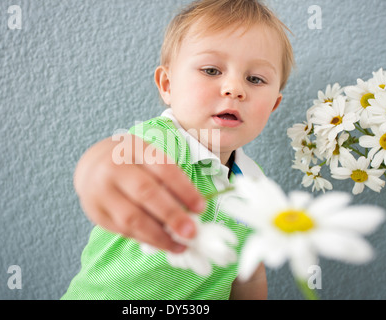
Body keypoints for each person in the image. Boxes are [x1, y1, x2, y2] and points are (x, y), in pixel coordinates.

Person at [62, 0, 294, 300]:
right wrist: (96, 170)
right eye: (211, 70)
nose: (235, 88)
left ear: (274, 104)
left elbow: (248, 274)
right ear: (167, 84)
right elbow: (116, 157)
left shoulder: (256, 184)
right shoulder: (164, 144)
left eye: (255, 79)